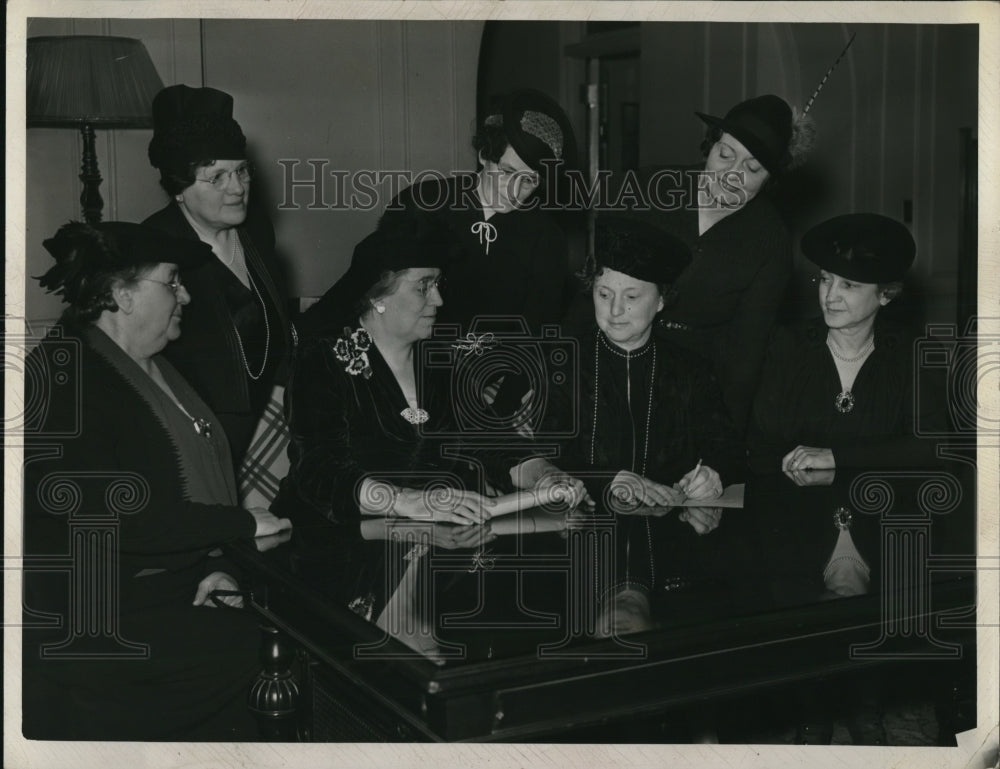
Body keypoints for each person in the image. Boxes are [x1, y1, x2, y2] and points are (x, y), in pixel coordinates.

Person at [22, 222, 292, 740]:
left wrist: (218, 568)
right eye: (171, 281)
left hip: (163, 588)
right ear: (122, 295)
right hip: (94, 615)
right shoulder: (63, 377)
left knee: (271, 637)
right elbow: (116, 519)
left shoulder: (157, 366)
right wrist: (238, 527)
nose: (184, 295)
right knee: (263, 648)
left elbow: (194, 488)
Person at [303, 88, 578, 419]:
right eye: (507, 172)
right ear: (485, 156)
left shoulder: (546, 238)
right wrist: (298, 339)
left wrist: (501, 406)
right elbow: (361, 286)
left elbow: (537, 336)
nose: (515, 192)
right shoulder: (424, 204)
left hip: (487, 385)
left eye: (530, 181)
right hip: (407, 372)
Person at [272, 215, 514, 526]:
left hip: (428, 530)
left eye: (438, 284)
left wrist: (542, 474)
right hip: (335, 532)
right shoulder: (322, 360)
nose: (439, 299)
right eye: (423, 287)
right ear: (378, 297)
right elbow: (319, 470)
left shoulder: (441, 361)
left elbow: (491, 440)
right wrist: (404, 501)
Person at [511, 217, 744, 513]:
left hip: (671, 526)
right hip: (585, 522)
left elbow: (728, 448)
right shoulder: (562, 364)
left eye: (631, 296)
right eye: (604, 294)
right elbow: (543, 457)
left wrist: (713, 474)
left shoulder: (692, 370)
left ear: (661, 300)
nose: (615, 310)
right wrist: (608, 479)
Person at [618, 94, 813, 434]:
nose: (732, 175)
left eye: (752, 168)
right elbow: (593, 291)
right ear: (710, 146)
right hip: (618, 361)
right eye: (725, 154)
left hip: (699, 388)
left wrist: (719, 445)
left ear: (768, 179)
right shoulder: (649, 189)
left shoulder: (771, 240)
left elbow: (745, 359)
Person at [144, 84, 294, 467]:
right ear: (179, 188)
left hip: (272, 423)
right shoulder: (155, 246)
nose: (238, 188)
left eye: (241, 171)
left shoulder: (257, 232)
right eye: (217, 178)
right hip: (194, 437)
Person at [748, 213, 948, 475]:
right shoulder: (786, 344)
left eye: (849, 285)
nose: (830, 296)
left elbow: (931, 448)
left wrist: (837, 459)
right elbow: (760, 444)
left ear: (885, 294)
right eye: (825, 279)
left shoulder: (914, 353)